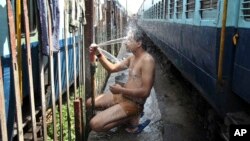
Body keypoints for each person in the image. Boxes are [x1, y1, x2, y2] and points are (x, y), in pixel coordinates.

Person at [86, 25, 155, 134]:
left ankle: (131, 117)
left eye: (129, 40)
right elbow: (111, 68)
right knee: (89, 103)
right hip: (122, 97)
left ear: (139, 43)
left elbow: (145, 92)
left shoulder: (147, 61)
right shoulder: (131, 58)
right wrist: (98, 53)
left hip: (134, 103)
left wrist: (120, 90)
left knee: (95, 124)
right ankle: (127, 117)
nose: (126, 42)